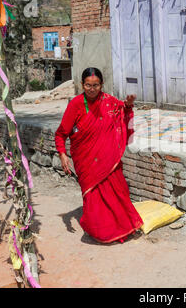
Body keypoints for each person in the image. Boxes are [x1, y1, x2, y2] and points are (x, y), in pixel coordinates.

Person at [55, 67, 143, 243]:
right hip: (87, 160)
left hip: (109, 159)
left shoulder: (110, 101)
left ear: (102, 85)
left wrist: (128, 106)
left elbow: (124, 114)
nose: (92, 89)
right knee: (94, 197)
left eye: (96, 85)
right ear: (82, 85)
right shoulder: (76, 104)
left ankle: (122, 228)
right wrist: (63, 154)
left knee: (118, 192)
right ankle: (100, 232)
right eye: (88, 85)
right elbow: (61, 133)